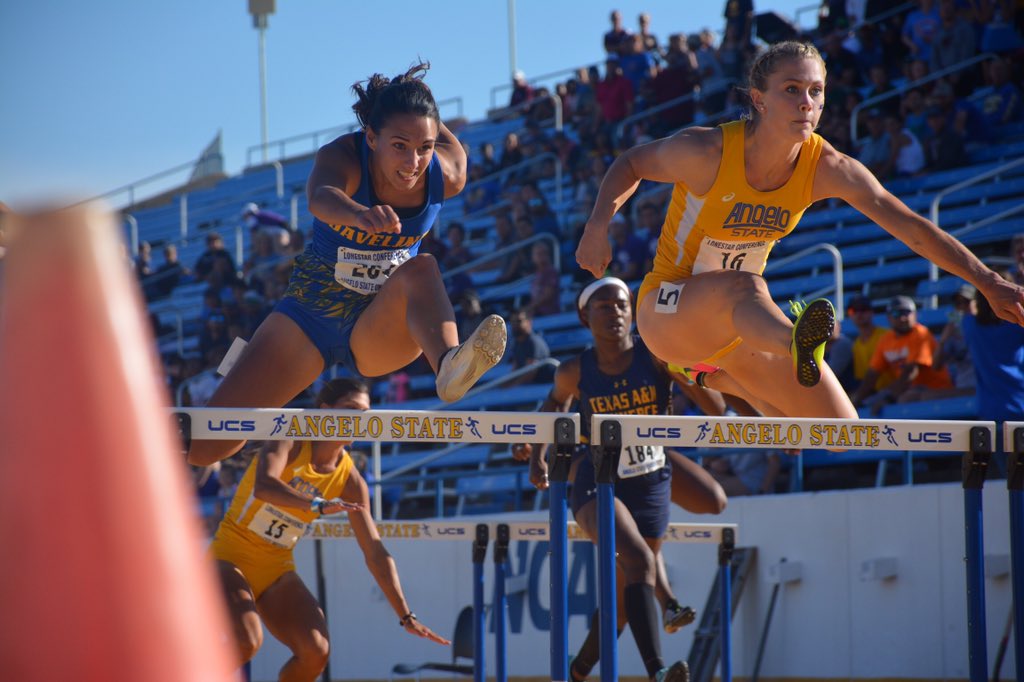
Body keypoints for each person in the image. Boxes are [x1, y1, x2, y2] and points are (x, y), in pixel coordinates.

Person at [575, 40, 1024, 423]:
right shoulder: (707, 150)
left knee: (843, 431)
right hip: (667, 308)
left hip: (738, 331)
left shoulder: (828, 167)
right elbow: (631, 162)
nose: (806, 102)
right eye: (791, 90)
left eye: (816, 91)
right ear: (759, 99)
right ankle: (791, 346)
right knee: (746, 286)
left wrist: (987, 280)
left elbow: (910, 226)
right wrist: (598, 225)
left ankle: (722, 377)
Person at [187, 63, 506, 467]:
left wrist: (415, 95)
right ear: (372, 137)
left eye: (424, 148)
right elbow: (321, 196)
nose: (413, 163)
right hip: (309, 316)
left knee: (423, 267)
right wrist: (357, 214)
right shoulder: (343, 155)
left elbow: (434, 143)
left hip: (380, 325)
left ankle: (448, 364)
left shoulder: (448, 173)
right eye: (400, 146)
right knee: (205, 446)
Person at [514, 278, 719, 682]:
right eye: (604, 306)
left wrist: (689, 367)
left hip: (651, 477)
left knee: (626, 595)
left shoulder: (658, 356)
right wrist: (537, 454)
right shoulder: (576, 370)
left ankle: (580, 668)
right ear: (585, 317)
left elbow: (715, 408)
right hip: (598, 477)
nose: (616, 313)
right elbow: (553, 406)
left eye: (622, 305)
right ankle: (657, 671)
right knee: (641, 561)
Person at [209, 378, 448, 682]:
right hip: (229, 557)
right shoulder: (291, 437)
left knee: (316, 651)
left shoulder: (350, 481)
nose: (357, 420)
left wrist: (406, 616)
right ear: (324, 411)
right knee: (247, 640)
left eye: (364, 413)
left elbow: (374, 551)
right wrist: (318, 505)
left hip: (275, 569)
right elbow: (264, 487)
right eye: (350, 410)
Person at [848, 296, 953, 413]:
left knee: (906, 398)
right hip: (909, 390)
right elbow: (872, 374)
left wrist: (888, 398)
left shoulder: (920, 333)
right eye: (896, 313)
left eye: (906, 312)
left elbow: (911, 372)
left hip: (933, 389)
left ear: (915, 315)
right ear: (888, 317)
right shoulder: (886, 339)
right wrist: (857, 400)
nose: (902, 318)